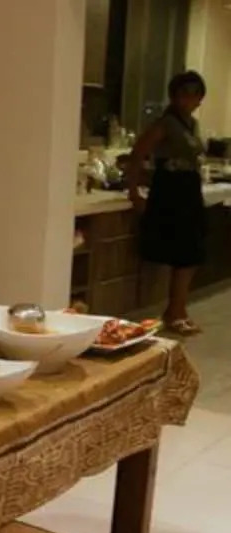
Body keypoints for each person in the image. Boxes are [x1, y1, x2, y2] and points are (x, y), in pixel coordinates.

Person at [127, 71, 207, 335]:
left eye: (195, 94)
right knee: (184, 254)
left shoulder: (191, 124)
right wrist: (134, 192)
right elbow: (137, 154)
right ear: (174, 96)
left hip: (189, 189)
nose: (190, 99)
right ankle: (175, 312)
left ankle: (177, 309)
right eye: (185, 94)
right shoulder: (165, 123)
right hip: (171, 191)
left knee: (192, 253)